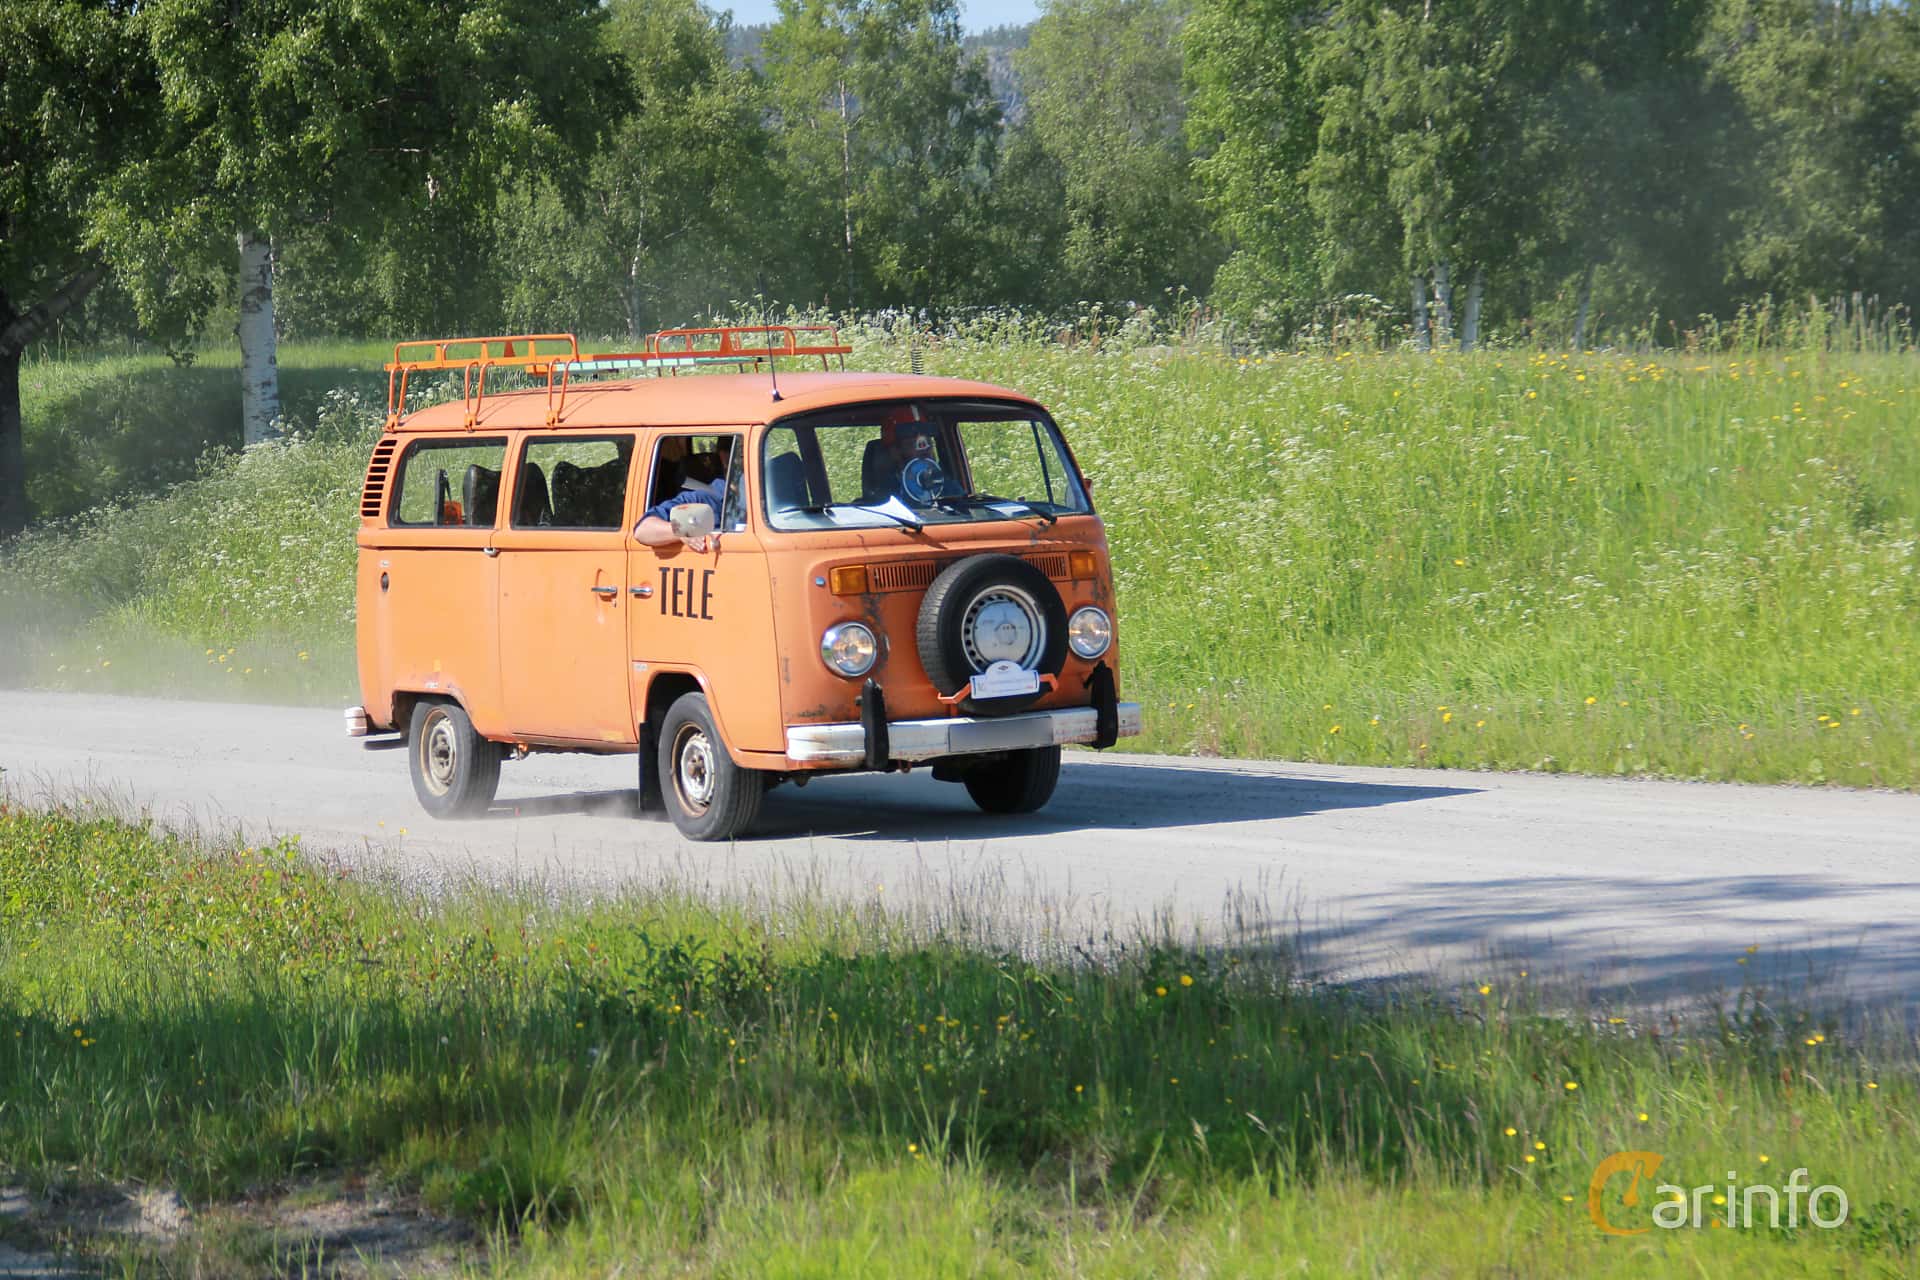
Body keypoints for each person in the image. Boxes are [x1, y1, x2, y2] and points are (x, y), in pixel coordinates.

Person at [633, 436, 732, 551]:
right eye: (742, 456)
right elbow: (643, 529)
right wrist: (681, 530)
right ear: (725, 457)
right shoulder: (709, 496)